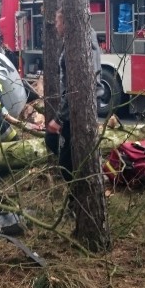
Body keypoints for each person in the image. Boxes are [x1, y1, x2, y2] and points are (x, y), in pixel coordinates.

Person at [45, 9, 103, 183]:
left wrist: (59, 118)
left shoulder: (83, 41)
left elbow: (76, 86)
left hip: (80, 108)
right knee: (54, 142)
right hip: (74, 108)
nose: (55, 26)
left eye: (57, 22)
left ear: (65, 22)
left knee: (66, 161)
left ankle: (78, 196)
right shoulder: (73, 40)